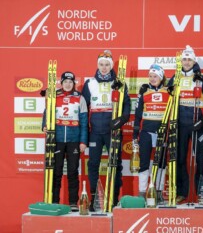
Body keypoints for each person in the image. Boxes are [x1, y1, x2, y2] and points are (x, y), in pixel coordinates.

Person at [82, 50, 131, 210]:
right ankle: (95, 198)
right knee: (93, 164)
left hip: (113, 130)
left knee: (115, 164)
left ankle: (114, 199)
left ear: (111, 66)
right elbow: (83, 109)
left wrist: (121, 120)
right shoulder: (89, 84)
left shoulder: (119, 83)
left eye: (107, 65)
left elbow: (126, 106)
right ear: (98, 65)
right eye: (101, 65)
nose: (104, 68)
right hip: (96, 131)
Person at [168, 45, 203, 204]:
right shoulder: (175, 77)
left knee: (201, 159)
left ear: (194, 60)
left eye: (189, 59)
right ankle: (181, 192)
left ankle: (202, 191)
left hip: (198, 124)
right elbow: (167, 96)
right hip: (180, 125)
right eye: (184, 59)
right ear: (181, 61)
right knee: (180, 159)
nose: (187, 62)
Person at [42, 71, 88, 212]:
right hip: (58, 139)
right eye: (65, 82)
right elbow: (47, 113)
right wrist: (44, 124)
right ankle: (55, 201)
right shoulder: (54, 96)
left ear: (74, 83)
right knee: (56, 171)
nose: (68, 84)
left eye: (70, 82)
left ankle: (73, 202)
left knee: (73, 172)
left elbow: (84, 122)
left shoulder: (80, 98)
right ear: (61, 83)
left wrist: (83, 141)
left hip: (74, 140)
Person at [133, 64, 169, 203]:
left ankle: (158, 192)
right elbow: (137, 114)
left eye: (155, 76)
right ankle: (142, 192)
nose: (152, 79)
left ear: (161, 77)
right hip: (146, 132)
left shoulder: (167, 92)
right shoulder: (144, 92)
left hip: (162, 132)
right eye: (150, 76)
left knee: (161, 163)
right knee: (144, 163)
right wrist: (135, 133)